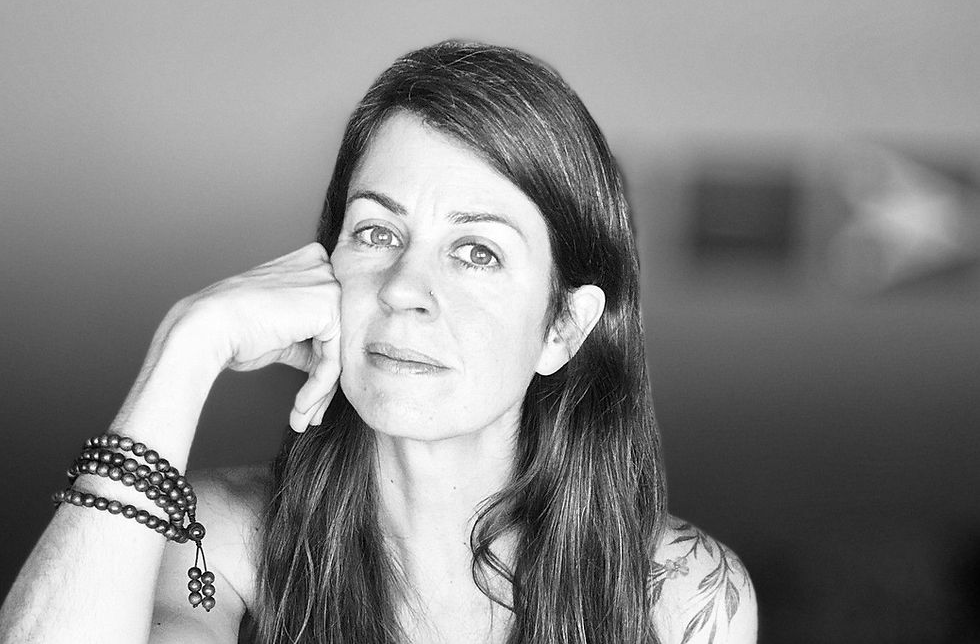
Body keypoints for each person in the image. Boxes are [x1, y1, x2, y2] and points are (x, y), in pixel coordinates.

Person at [0, 41, 756, 643]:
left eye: (478, 252)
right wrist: (186, 348)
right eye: (376, 232)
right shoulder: (218, 542)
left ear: (562, 327)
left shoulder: (683, 593)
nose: (402, 286)